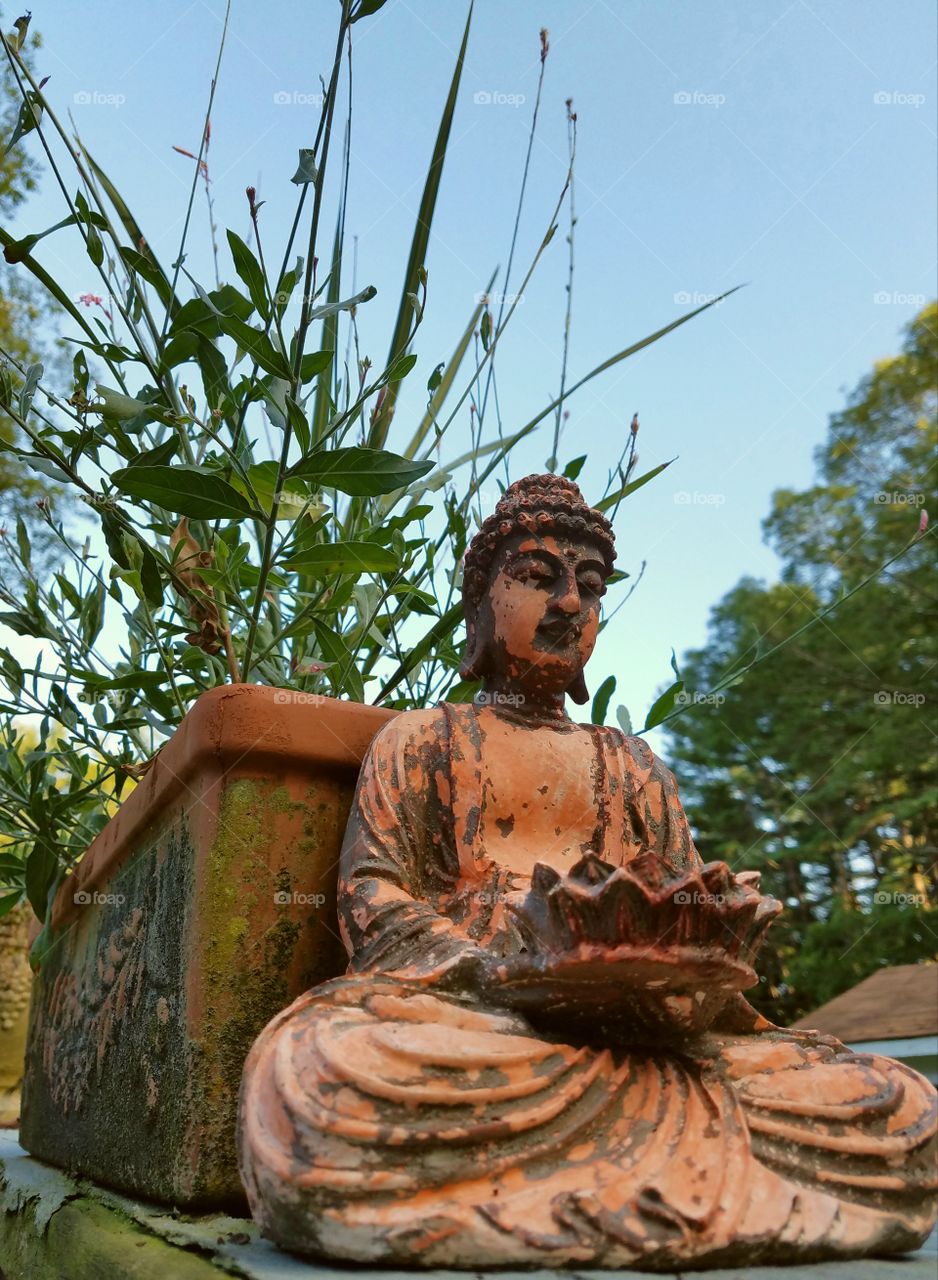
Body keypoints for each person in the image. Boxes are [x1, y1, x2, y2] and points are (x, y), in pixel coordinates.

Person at [238, 474, 937, 1268]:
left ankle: (573, 1192)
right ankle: (698, 1190)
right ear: (483, 603)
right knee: (316, 1072)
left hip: (651, 1042)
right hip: (481, 1026)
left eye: (591, 587)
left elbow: (682, 901)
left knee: (897, 1102)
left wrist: (688, 966)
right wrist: (491, 969)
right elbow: (373, 892)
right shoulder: (422, 738)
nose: (569, 603)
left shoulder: (631, 763)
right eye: (537, 579)